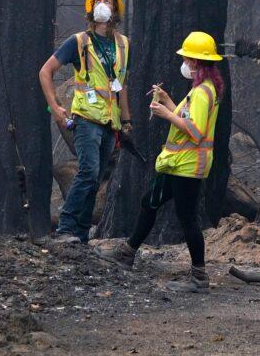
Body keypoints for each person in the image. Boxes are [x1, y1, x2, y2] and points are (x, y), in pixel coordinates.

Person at [96, 31, 224, 292]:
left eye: (187, 59)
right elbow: (190, 119)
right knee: (149, 202)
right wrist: (169, 102)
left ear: (196, 63)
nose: (185, 64)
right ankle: (127, 253)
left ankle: (199, 278)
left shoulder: (201, 92)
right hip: (178, 164)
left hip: (187, 166)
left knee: (187, 218)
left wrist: (166, 113)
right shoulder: (203, 89)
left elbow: (196, 130)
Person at [38, 0, 132, 245]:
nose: (103, 4)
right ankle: (65, 227)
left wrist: (127, 121)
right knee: (88, 172)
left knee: (96, 178)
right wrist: (55, 107)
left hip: (109, 123)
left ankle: (79, 234)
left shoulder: (124, 45)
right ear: (91, 10)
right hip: (86, 118)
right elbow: (45, 72)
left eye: (108, 2)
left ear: (115, 11)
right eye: (98, 1)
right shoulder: (78, 42)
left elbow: (121, 85)